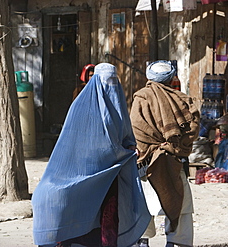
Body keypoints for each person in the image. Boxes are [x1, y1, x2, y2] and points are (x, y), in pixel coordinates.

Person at [32, 63, 151, 247]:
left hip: (110, 177)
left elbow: (126, 137)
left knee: (106, 219)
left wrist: (130, 148)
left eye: (113, 82)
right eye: (106, 82)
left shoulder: (118, 109)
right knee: (81, 211)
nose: (110, 87)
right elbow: (73, 143)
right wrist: (120, 153)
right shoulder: (80, 107)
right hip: (82, 173)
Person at [130, 60, 200, 247]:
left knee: (144, 205)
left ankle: (142, 240)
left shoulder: (141, 98)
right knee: (180, 202)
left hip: (147, 163)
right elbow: (191, 130)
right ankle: (177, 242)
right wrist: (173, 146)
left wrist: (153, 147)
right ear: (171, 78)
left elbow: (137, 131)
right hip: (175, 160)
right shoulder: (182, 99)